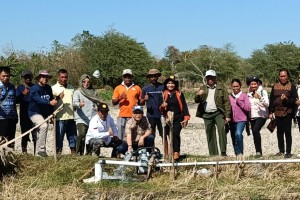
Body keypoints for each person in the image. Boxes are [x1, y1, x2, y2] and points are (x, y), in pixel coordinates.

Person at [195, 69, 231, 156]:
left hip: (218, 113)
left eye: (212, 77)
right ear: (206, 78)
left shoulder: (221, 88)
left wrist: (227, 115)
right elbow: (196, 101)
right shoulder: (202, 88)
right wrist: (198, 95)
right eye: (208, 77)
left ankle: (223, 152)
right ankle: (213, 154)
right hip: (207, 114)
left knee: (222, 130)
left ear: (215, 78)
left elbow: (226, 101)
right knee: (210, 134)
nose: (210, 79)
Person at [269, 68, 297, 158]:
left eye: (284, 76)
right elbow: (272, 99)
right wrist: (270, 111)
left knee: (287, 132)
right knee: (279, 132)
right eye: (281, 76)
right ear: (279, 76)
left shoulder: (291, 86)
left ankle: (288, 152)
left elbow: (294, 99)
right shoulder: (275, 86)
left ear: (287, 76)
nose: (283, 78)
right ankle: (281, 151)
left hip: (287, 112)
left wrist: (286, 99)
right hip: (277, 112)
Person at [159, 76, 190, 160]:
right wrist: (162, 106)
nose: (170, 85)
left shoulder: (179, 94)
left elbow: (184, 106)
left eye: (172, 83)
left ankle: (176, 152)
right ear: (166, 85)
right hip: (167, 118)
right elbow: (160, 108)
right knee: (168, 134)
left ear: (175, 84)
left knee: (175, 133)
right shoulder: (162, 94)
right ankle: (168, 153)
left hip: (178, 117)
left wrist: (186, 118)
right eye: (168, 83)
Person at [28, 70, 58, 157]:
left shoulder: (48, 88)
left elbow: (51, 100)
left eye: (47, 77)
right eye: (43, 77)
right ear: (39, 78)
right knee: (44, 126)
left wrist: (51, 114)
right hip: (34, 113)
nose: (45, 79)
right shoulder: (34, 89)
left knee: (42, 131)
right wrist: (49, 102)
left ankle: (38, 154)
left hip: (45, 114)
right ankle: (41, 149)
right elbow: (38, 100)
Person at [112, 69, 142, 140]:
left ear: (132, 77)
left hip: (133, 116)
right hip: (121, 116)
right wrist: (120, 97)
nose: (127, 79)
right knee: (120, 136)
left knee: (132, 137)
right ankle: (120, 151)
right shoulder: (118, 88)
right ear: (123, 77)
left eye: (129, 77)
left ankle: (130, 150)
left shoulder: (137, 88)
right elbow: (113, 102)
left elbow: (141, 102)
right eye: (126, 77)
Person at [52, 69, 77, 155]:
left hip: (71, 118)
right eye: (62, 77)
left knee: (73, 142)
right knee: (59, 142)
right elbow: (51, 102)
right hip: (60, 118)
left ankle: (74, 158)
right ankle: (58, 159)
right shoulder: (53, 88)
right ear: (58, 77)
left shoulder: (71, 88)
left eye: (65, 77)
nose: (64, 79)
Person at [140, 69, 165, 151]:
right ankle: (152, 151)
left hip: (162, 114)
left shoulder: (163, 87)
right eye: (151, 76)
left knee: (164, 134)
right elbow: (141, 103)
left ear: (158, 76)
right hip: (151, 115)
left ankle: (166, 153)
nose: (153, 78)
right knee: (151, 134)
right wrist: (144, 99)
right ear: (149, 78)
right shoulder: (145, 88)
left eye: (155, 76)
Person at [73, 74, 97, 155]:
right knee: (82, 134)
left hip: (92, 118)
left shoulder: (94, 92)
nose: (86, 84)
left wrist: (97, 107)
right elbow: (74, 103)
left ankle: (88, 154)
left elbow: (97, 102)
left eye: (88, 82)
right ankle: (79, 153)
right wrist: (79, 104)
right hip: (81, 118)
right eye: (84, 82)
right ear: (81, 82)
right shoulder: (78, 92)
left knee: (91, 136)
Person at [247, 76, 269, 157]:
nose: (253, 86)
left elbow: (267, 104)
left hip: (261, 115)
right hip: (252, 116)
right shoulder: (248, 94)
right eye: (251, 84)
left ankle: (259, 151)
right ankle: (258, 151)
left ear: (258, 84)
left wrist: (260, 97)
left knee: (256, 130)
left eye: (255, 84)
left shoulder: (263, 92)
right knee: (254, 133)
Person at [229, 79, 251, 157]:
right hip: (232, 120)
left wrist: (239, 102)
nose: (235, 88)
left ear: (240, 86)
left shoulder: (244, 96)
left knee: (238, 134)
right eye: (234, 86)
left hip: (241, 120)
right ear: (231, 86)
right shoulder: (229, 96)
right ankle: (236, 153)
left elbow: (248, 108)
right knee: (233, 137)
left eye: (237, 86)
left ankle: (240, 153)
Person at [16, 70, 36, 153]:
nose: (28, 78)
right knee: (24, 134)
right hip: (24, 115)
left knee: (35, 135)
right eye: (26, 77)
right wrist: (22, 94)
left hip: (34, 114)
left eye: (29, 76)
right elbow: (16, 100)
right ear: (23, 78)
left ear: (32, 77)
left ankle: (36, 152)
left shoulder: (35, 87)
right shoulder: (20, 88)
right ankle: (24, 152)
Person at [0, 66, 18, 149]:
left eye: (7, 75)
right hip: (2, 118)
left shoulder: (12, 86)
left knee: (11, 140)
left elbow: (14, 101)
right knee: (2, 140)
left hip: (12, 117)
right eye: (3, 76)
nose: (6, 78)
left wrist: (16, 116)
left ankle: (10, 159)